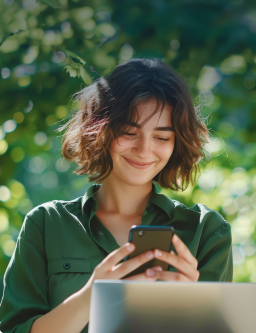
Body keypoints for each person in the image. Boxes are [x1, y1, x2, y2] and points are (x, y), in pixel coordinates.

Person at [0, 58, 233, 333]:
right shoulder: (46, 224)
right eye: (129, 132)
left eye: (161, 137)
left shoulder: (206, 232)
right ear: (100, 131)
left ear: (177, 142)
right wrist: (91, 297)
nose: (144, 149)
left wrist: (189, 310)